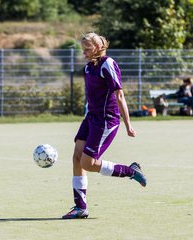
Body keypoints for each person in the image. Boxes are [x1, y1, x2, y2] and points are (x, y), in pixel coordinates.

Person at [62, 33, 146, 219]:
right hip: (91, 118)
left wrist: (128, 125)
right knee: (77, 157)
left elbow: (119, 95)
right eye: (82, 50)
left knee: (88, 163)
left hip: (106, 119)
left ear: (99, 46)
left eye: (87, 49)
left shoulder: (108, 64)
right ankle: (80, 207)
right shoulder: (88, 68)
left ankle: (131, 171)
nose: (84, 53)